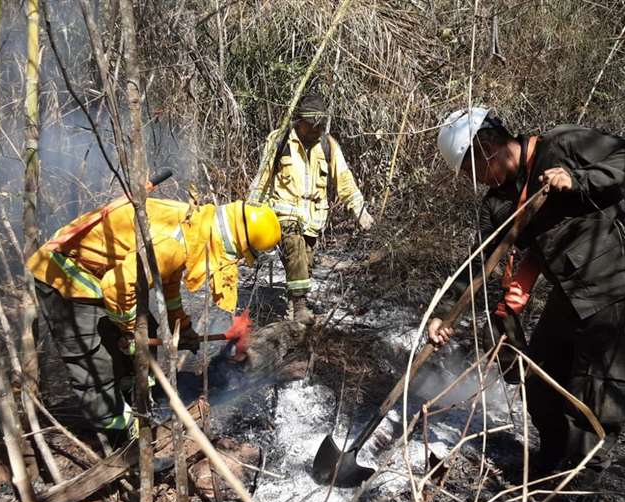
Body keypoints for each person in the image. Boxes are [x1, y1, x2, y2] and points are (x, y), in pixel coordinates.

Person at [430, 107, 625, 502]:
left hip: (617, 283)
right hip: (571, 293)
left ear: (488, 149)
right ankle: (552, 467)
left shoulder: (562, 145)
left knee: (594, 393)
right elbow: (477, 262)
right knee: (541, 379)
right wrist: (445, 315)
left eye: (472, 171)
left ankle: (578, 490)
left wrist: (578, 180)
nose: (475, 181)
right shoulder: (499, 202)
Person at [27, 198, 281, 444]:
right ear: (234, 244)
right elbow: (117, 287)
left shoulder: (197, 227)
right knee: (96, 359)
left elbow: (167, 281)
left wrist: (180, 325)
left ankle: (137, 396)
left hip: (104, 275)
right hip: (65, 270)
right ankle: (121, 437)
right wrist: (128, 331)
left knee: (145, 327)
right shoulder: (174, 243)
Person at [248, 94, 374, 324]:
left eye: (319, 124)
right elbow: (262, 180)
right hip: (285, 215)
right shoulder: (280, 140)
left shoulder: (327, 146)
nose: (315, 129)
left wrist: (360, 209)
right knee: (294, 249)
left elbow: (344, 180)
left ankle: (293, 313)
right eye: (310, 124)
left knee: (303, 265)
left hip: (314, 220)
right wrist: (249, 215)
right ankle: (299, 307)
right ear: (300, 120)